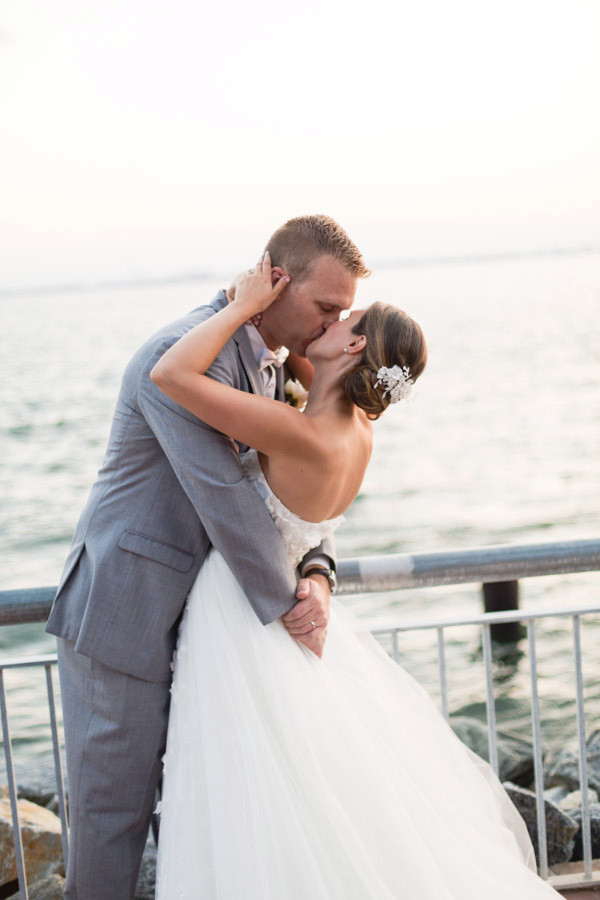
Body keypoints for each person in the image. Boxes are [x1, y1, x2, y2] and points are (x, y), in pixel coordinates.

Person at [151, 255, 561, 898]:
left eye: (347, 318)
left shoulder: (299, 433)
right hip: (290, 605)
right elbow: (311, 378)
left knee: (246, 789)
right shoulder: (358, 432)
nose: (334, 319)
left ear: (357, 344)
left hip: (241, 616)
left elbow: (169, 373)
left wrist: (237, 305)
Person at [46, 214, 370, 900]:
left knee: (198, 811)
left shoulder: (277, 367)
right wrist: (286, 606)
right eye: (325, 306)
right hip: (124, 617)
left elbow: (298, 491)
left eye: (341, 312)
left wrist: (318, 573)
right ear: (273, 279)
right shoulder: (179, 355)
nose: (331, 323)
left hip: (203, 633)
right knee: (113, 820)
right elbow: (223, 492)